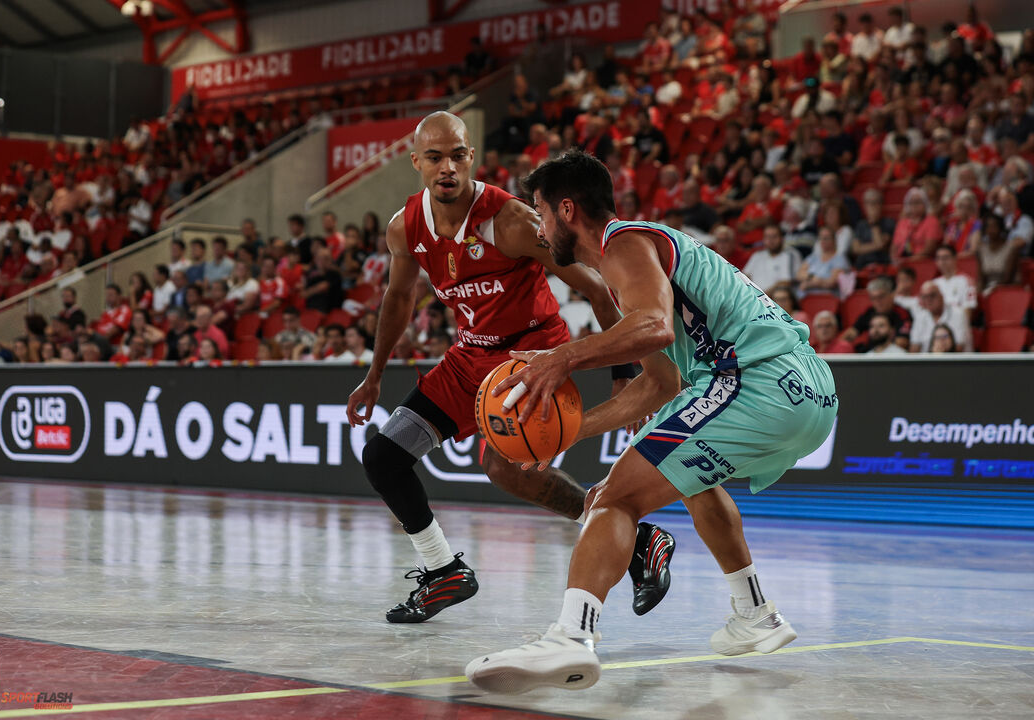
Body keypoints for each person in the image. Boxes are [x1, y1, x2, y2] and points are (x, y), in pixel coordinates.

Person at [466, 150, 837, 693]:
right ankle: (755, 614)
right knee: (689, 475)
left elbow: (656, 326)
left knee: (612, 499)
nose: (540, 230)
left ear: (567, 210)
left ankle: (571, 637)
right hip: (806, 390)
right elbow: (660, 384)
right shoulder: (635, 258)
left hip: (756, 380)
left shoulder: (625, 244)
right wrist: (565, 432)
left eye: (541, 213)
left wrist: (562, 358)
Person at [345, 113, 677, 625]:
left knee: (504, 469)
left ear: (470, 156)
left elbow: (592, 285)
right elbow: (398, 298)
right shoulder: (404, 227)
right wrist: (374, 375)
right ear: (417, 163)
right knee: (383, 457)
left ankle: (634, 537)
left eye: (457, 154)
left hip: (530, 354)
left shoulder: (511, 222)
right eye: (434, 157)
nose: (447, 167)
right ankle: (443, 571)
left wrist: (625, 370)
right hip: (469, 356)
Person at [842, 276, 912, 350]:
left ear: (892, 295)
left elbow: (902, 343)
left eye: (881, 297)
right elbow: (851, 333)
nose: (877, 302)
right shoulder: (870, 311)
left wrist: (880, 351)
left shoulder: (902, 313)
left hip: (892, 355)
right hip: (871, 353)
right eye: (873, 298)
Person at [909, 282, 972, 353]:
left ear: (941, 296)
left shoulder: (958, 314)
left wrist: (937, 357)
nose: (928, 300)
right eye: (924, 297)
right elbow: (914, 348)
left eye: (932, 295)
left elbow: (958, 348)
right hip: (928, 362)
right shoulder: (920, 316)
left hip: (955, 361)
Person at [743, 225, 800, 294]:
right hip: (754, 297)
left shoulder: (789, 255)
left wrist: (763, 296)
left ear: (782, 238)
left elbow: (786, 282)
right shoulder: (757, 255)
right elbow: (745, 276)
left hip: (775, 300)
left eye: (774, 236)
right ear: (763, 239)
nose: (771, 240)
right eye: (767, 237)